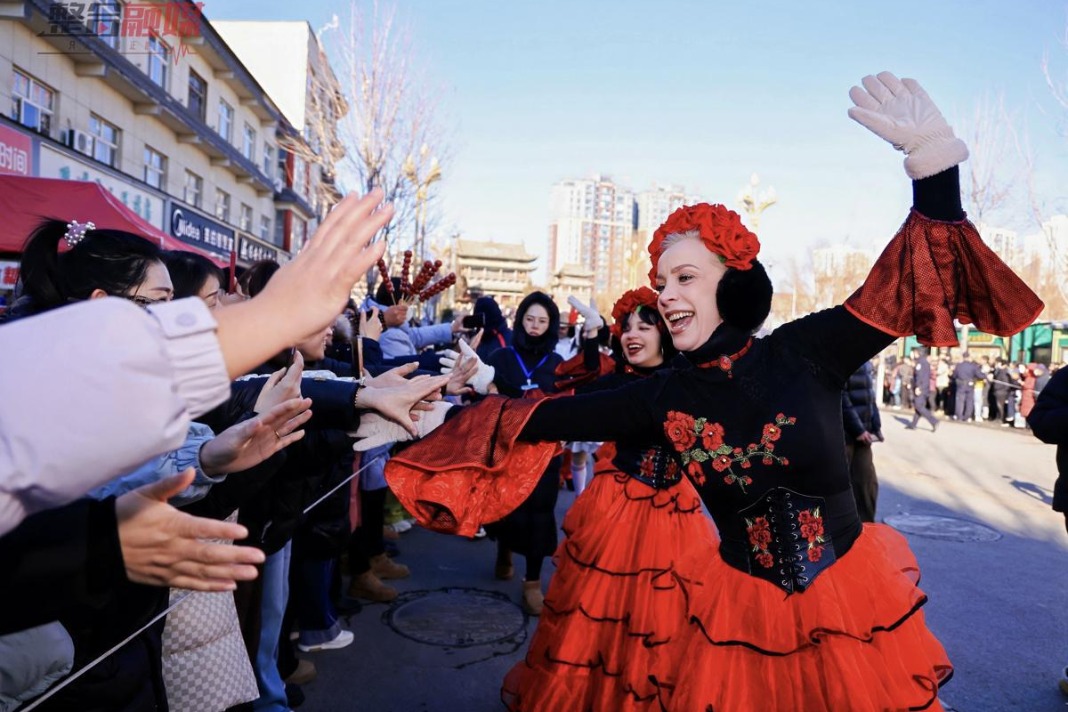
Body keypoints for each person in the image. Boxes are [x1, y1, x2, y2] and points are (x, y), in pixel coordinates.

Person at [369, 72, 1043, 710]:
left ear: (733, 281)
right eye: (661, 283)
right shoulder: (661, 397)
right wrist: (423, 419)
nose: (666, 296)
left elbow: (910, 282)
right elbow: (540, 418)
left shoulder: (805, 350)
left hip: (849, 612)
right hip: (733, 624)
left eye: (685, 278)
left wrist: (934, 168)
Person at [501, 286, 719, 710]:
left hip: (676, 516)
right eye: (626, 327)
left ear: (665, 333)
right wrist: (492, 388)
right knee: (598, 613)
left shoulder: (689, 380)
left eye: (644, 327)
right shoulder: (617, 382)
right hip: (617, 509)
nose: (632, 334)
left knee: (662, 619)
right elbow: (559, 402)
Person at [841, 360, 884, 522]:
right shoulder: (842, 358)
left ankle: (866, 526)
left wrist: (876, 425)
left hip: (864, 434)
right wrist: (858, 429)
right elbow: (841, 398)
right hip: (845, 435)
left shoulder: (866, 361)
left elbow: (870, 396)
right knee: (843, 485)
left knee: (867, 484)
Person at [907, 347, 939, 432]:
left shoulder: (920, 362)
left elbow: (920, 376)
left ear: (917, 353)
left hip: (921, 388)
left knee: (919, 406)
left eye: (914, 352)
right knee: (919, 406)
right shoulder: (925, 362)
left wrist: (918, 387)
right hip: (925, 387)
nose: (913, 354)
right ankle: (913, 424)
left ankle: (934, 421)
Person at [952, 352, 981, 421]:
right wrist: (985, 376)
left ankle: (959, 416)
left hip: (961, 384)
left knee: (960, 401)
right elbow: (979, 374)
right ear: (969, 357)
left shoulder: (959, 366)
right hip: (970, 384)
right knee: (969, 401)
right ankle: (967, 416)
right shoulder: (973, 366)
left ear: (963, 357)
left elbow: (954, 375)